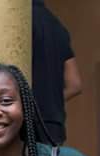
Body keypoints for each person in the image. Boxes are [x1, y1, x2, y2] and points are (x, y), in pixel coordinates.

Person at [33, 0, 82, 145]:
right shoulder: (57, 27)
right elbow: (75, 85)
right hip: (54, 125)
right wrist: (49, 102)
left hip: (25, 124)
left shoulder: (16, 22)